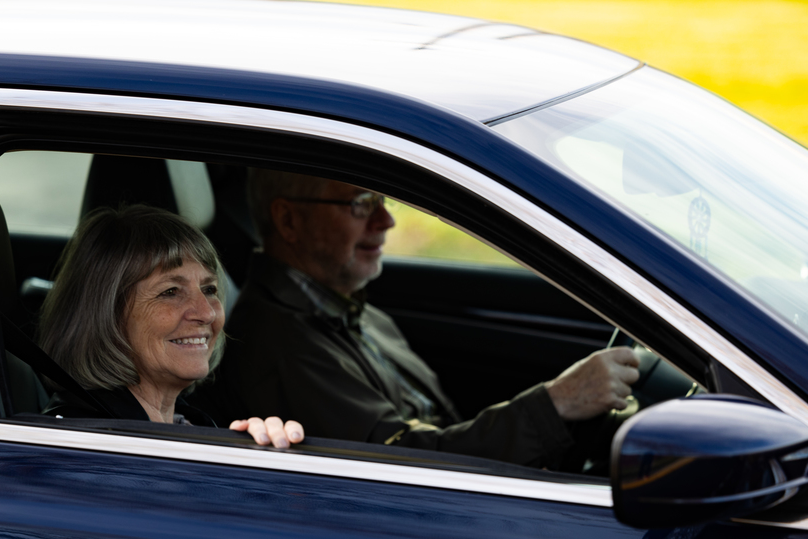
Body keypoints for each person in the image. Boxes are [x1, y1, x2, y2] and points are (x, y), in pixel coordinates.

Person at [209, 170, 639, 468]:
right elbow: (408, 461)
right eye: (361, 204)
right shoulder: (280, 349)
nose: (387, 220)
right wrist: (555, 404)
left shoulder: (348, 309)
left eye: (381, 199)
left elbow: (432, 430)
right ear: (288, 219)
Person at [37, 204, 304, 449]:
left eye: (209, 289)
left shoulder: (187, 423)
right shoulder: (81, 444)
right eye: (171, 291)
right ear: (106, 314)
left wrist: (263, 455)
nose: (207, 313)